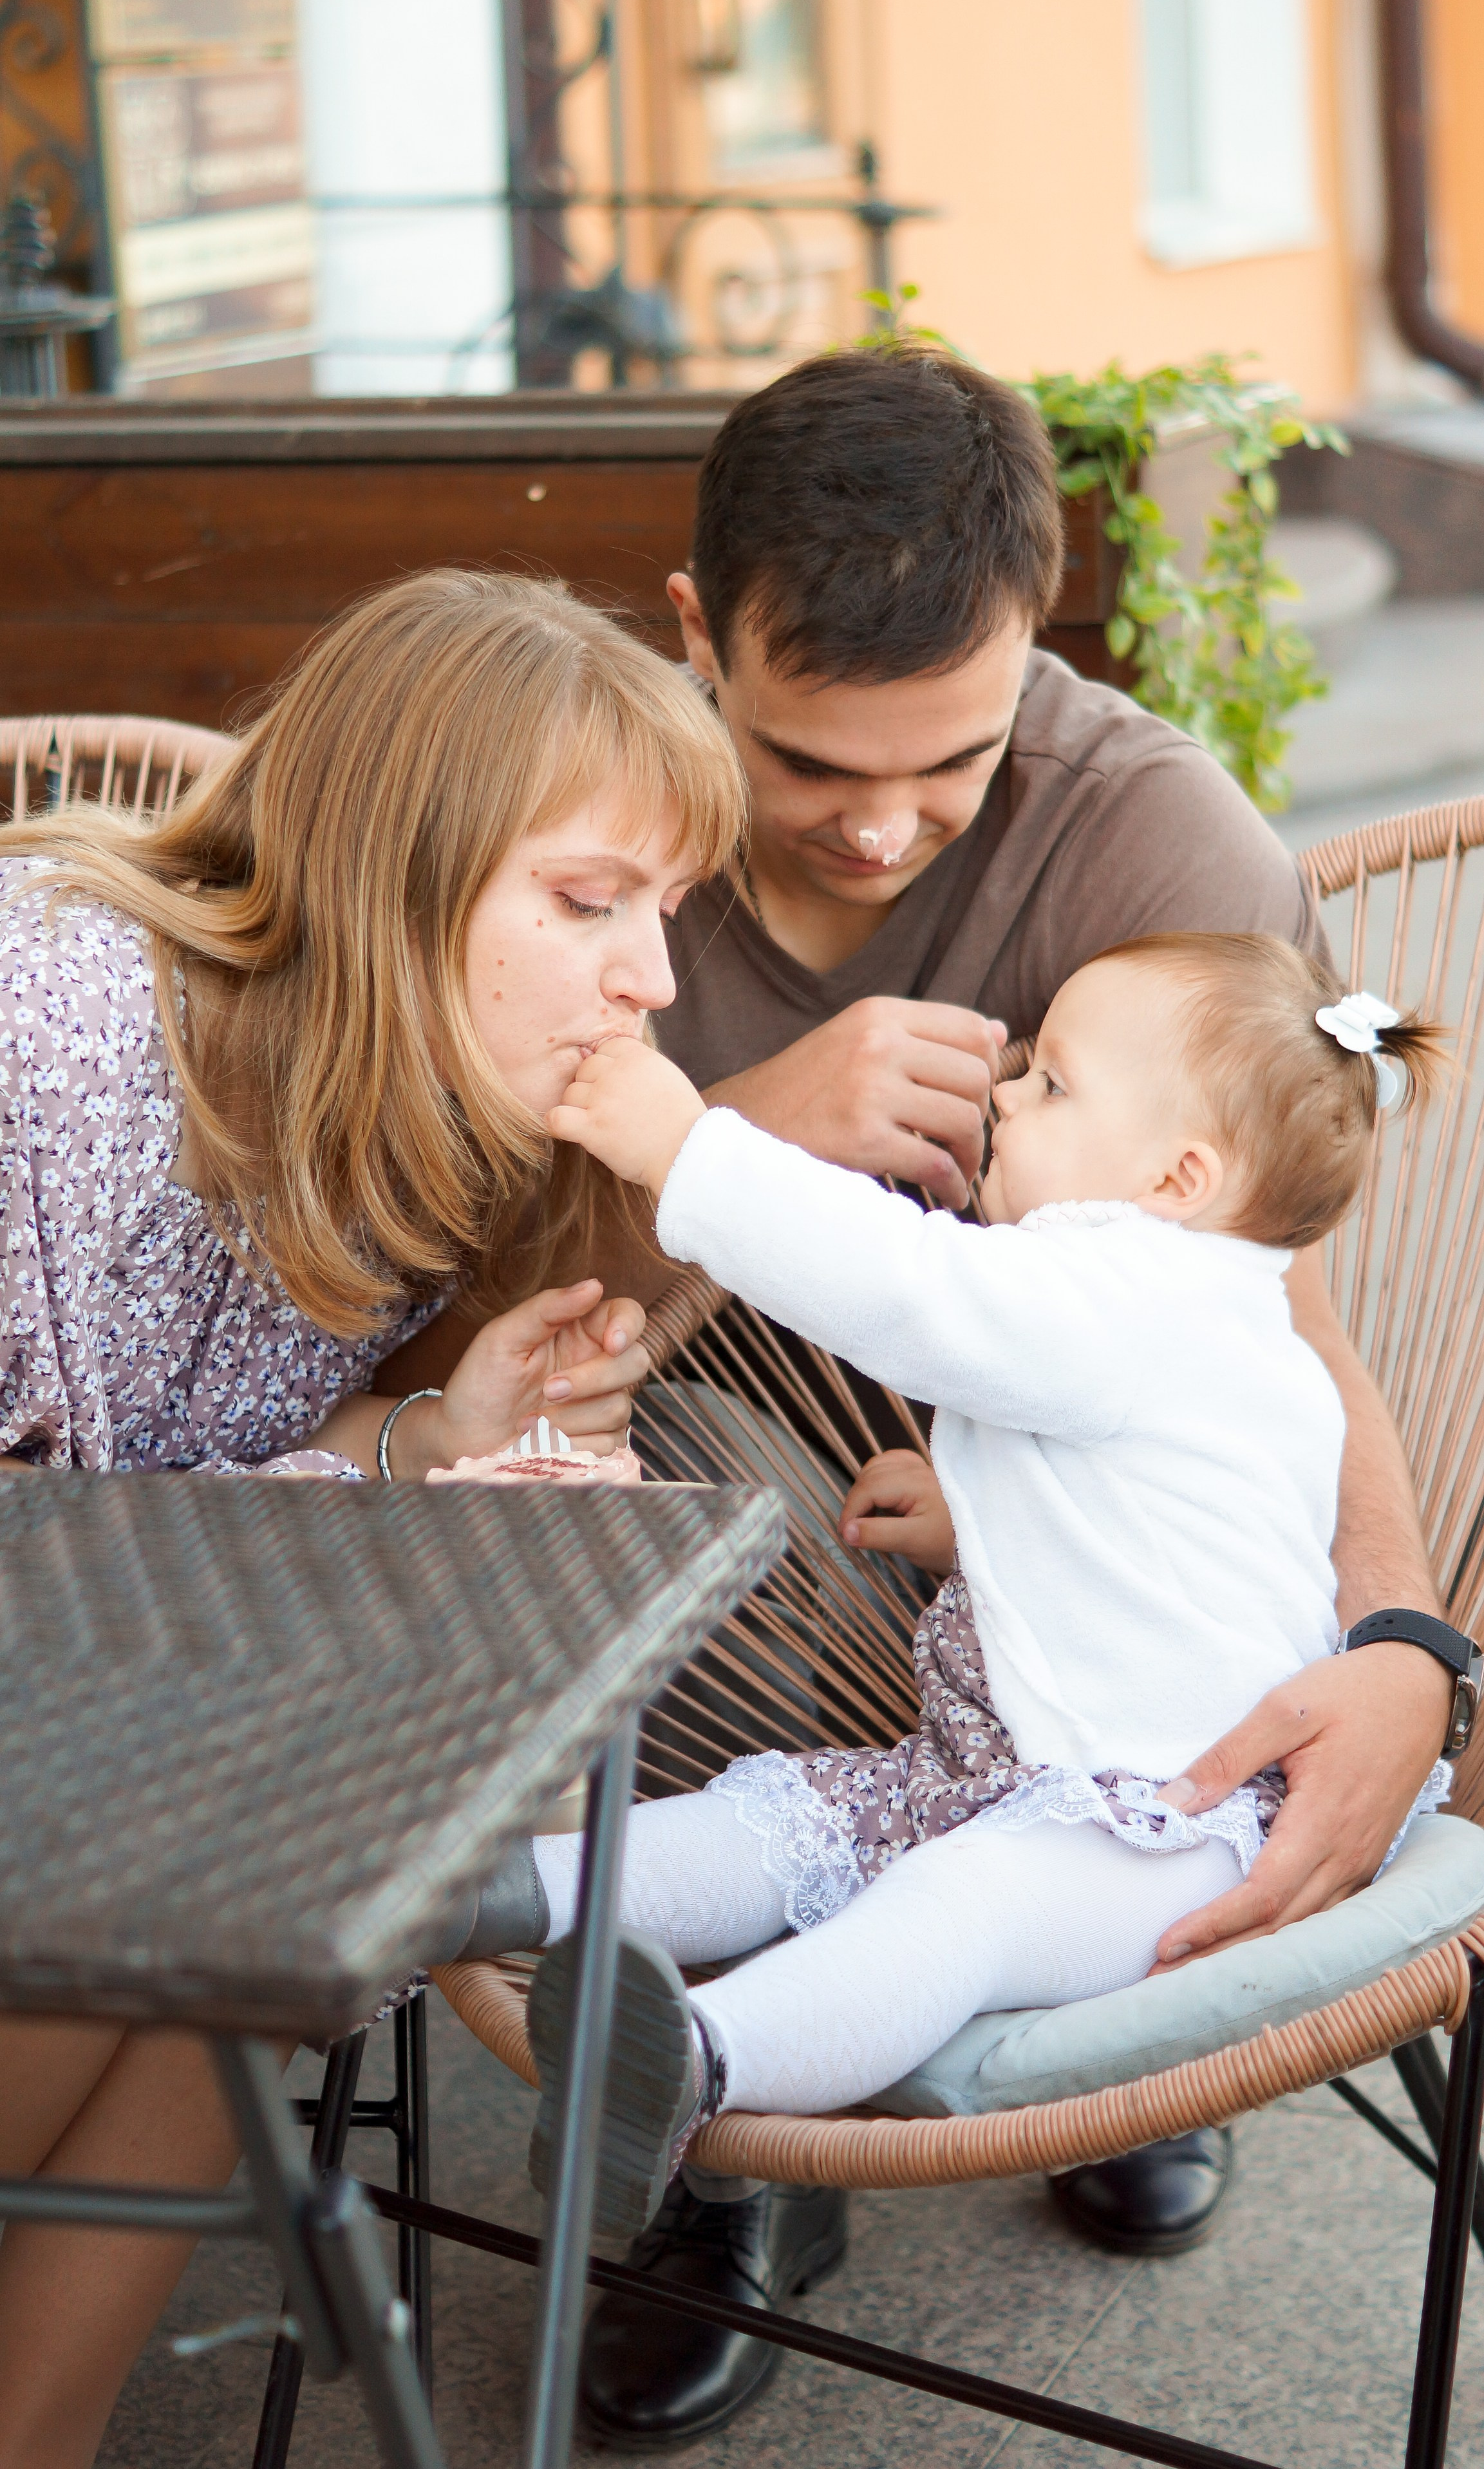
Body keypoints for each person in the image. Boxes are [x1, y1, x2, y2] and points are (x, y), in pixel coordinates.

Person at [389, 348, 1458, 2446]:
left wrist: (1407, 1647)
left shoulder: (1152, 840)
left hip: (1074, 1597)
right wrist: (741, 1138)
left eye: (950, 759)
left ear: (1032, 646)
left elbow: (1280, 1337)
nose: (880, 823)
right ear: (696, 634)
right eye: (802, 760)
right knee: (720, 1592)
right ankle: (711, 2098)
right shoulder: (581, 822)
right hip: (721, 1468)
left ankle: (1014, 1994)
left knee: (964, 1846)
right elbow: (464, 1338)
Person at [0, 568, 745, 2469]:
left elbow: (179, 1509)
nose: (654, 980)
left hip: (104, 1766)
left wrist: (429, 1432)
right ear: (386, 872)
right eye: (590, 903)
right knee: (248, 1844)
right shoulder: (51, 1035)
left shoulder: (414, 1120)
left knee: (293, 1842)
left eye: (664, 912)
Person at [511, 933, 1449, 2233]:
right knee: (785, 1816)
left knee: (957, 1907)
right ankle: (513, 1884)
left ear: (1178, 1176)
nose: (1008, 1091)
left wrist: (690, 1150)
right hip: (1005, 1771)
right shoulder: (1210, 1313)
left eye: (1053, 1084)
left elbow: (908, 1286)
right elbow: (1177, 1543)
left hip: (1164, 1830)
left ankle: (691, 2056)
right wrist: (984, 1524)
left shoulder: (1130, 1284)